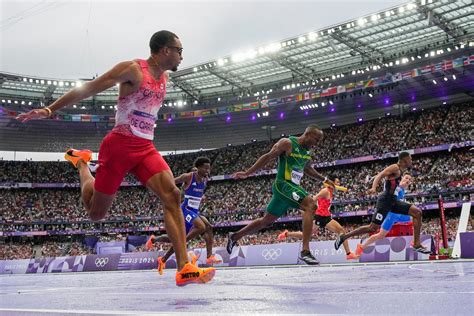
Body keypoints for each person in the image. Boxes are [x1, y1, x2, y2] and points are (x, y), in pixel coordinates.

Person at [16, 30, 215, 286]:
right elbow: (88, 88)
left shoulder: (164, 77)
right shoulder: (133, 70)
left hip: (144, 147)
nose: (181, 56)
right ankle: (82, 163)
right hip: (118, 147)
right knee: (96, 213)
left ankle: (185, 267)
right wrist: (49, 109)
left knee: (173, 196)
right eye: (179, 50)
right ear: (165, 50)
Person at [228, 125, 335, 265]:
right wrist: (248, 173)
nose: (316, 143)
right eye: (316, 140)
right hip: (283, 185)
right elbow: (267, 157)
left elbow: (308, 169)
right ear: (307, 134)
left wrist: (325, 179)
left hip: (291, 190)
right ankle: (305, 251)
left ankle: (234, 236)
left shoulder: (307, 152)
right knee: (311, 205)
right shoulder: (288, 143)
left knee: (265, 222)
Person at [334, 152, 430, 254]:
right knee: (372, 228)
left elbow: (385, 176)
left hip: (393, 201)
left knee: (417, 213)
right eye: (410, 159)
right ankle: (344, 237)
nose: (411, 161)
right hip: (385, 201)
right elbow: (381, 174)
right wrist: (374, 187)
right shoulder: (395, 167)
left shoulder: (400, 170)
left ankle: (416, 244)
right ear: (405, 160)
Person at [146, 157, 221, 274]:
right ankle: (181, 247)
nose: (208, 170)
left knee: (208, 228)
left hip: (195, 211)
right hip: (185, 210)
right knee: (200, 227)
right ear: (198, 168)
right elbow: (170, 182)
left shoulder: (205, 179)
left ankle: (160, 251)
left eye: (209, 168)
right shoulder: (188, 177)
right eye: (205, 168)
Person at [278, 178, 358, 260]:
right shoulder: (325, 191)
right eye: (337, 182)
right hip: (321, 217)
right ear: (332, 183)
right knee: (341, 231)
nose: (339, 183)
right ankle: (348, 254)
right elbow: (313, 199)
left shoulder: (331, 191)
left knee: (305, 235)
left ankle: (286, 234)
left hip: (325, 216)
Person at [354, 173, 413, 256]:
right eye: (406, 178)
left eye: (410, 180)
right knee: (380, 235)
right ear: (402, 178)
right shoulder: (396, 186)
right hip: (391, 215)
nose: (408, 180)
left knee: (415, 216)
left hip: (399, 214)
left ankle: (415, 241)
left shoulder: (403, 190)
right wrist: (398, 186)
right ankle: (361, 247)